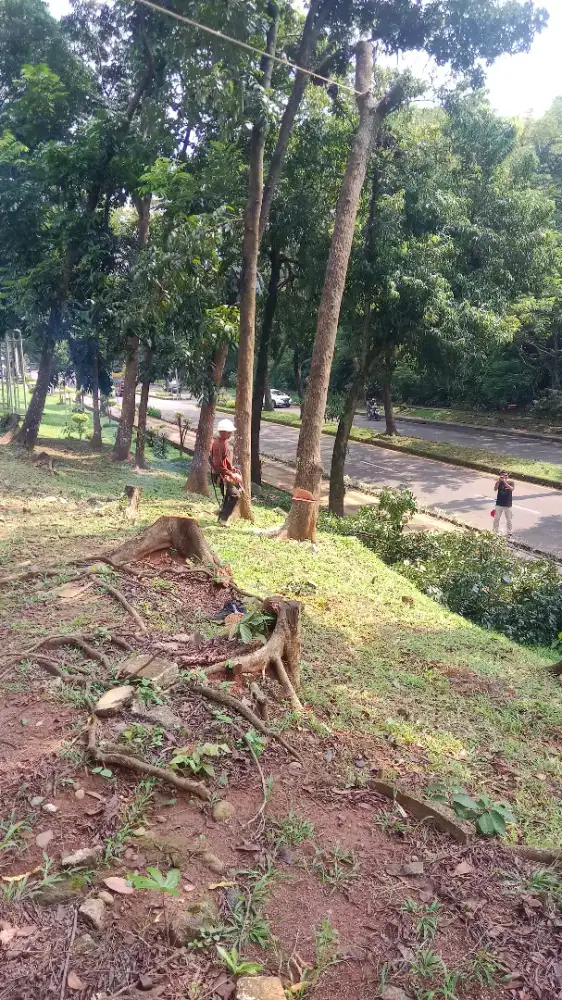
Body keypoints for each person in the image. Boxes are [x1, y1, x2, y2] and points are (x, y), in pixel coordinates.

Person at [210, 418, 243, 525]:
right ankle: (223, 519)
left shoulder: (223, 442)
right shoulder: (218, 444)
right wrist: (231, 474)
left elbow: (225, 459)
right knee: (234, 495)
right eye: (229, 432)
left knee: (228, 496)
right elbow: (217, 464)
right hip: (221, 475)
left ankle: (222, 519)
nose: (231, 433)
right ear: (222, 432)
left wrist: (231, 467)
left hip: (225, 474)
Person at [493, 470, 514, 536]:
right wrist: (499, 481)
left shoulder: (511, 482)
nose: (504, 477)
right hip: (499, 504)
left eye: (506, 476)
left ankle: (509, 532)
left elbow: (511, 489)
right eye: (503, 476)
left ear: (508, 476)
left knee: (509, 520)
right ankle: (495, 531)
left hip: (508, 504)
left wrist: (504, 482)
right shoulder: (498, 482)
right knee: (496, 518)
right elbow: (495, 489)